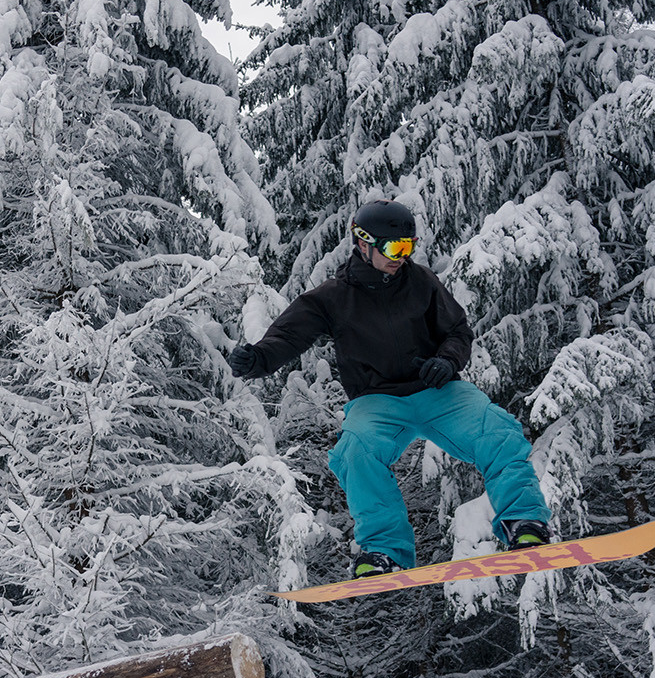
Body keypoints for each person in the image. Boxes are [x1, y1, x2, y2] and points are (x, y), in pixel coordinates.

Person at [229, 199, 552, 579]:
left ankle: (525, 523)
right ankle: (385, 551)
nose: (401, 256)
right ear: (363, 244)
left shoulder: (422, 283)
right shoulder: (333, 298)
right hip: (377, 400)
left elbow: (457, 331)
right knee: (355, 452)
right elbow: (289, 335)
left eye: (408, 247)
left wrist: (447, 360)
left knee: (497, 430)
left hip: (437, 391)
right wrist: (259, 360)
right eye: (393, 247)